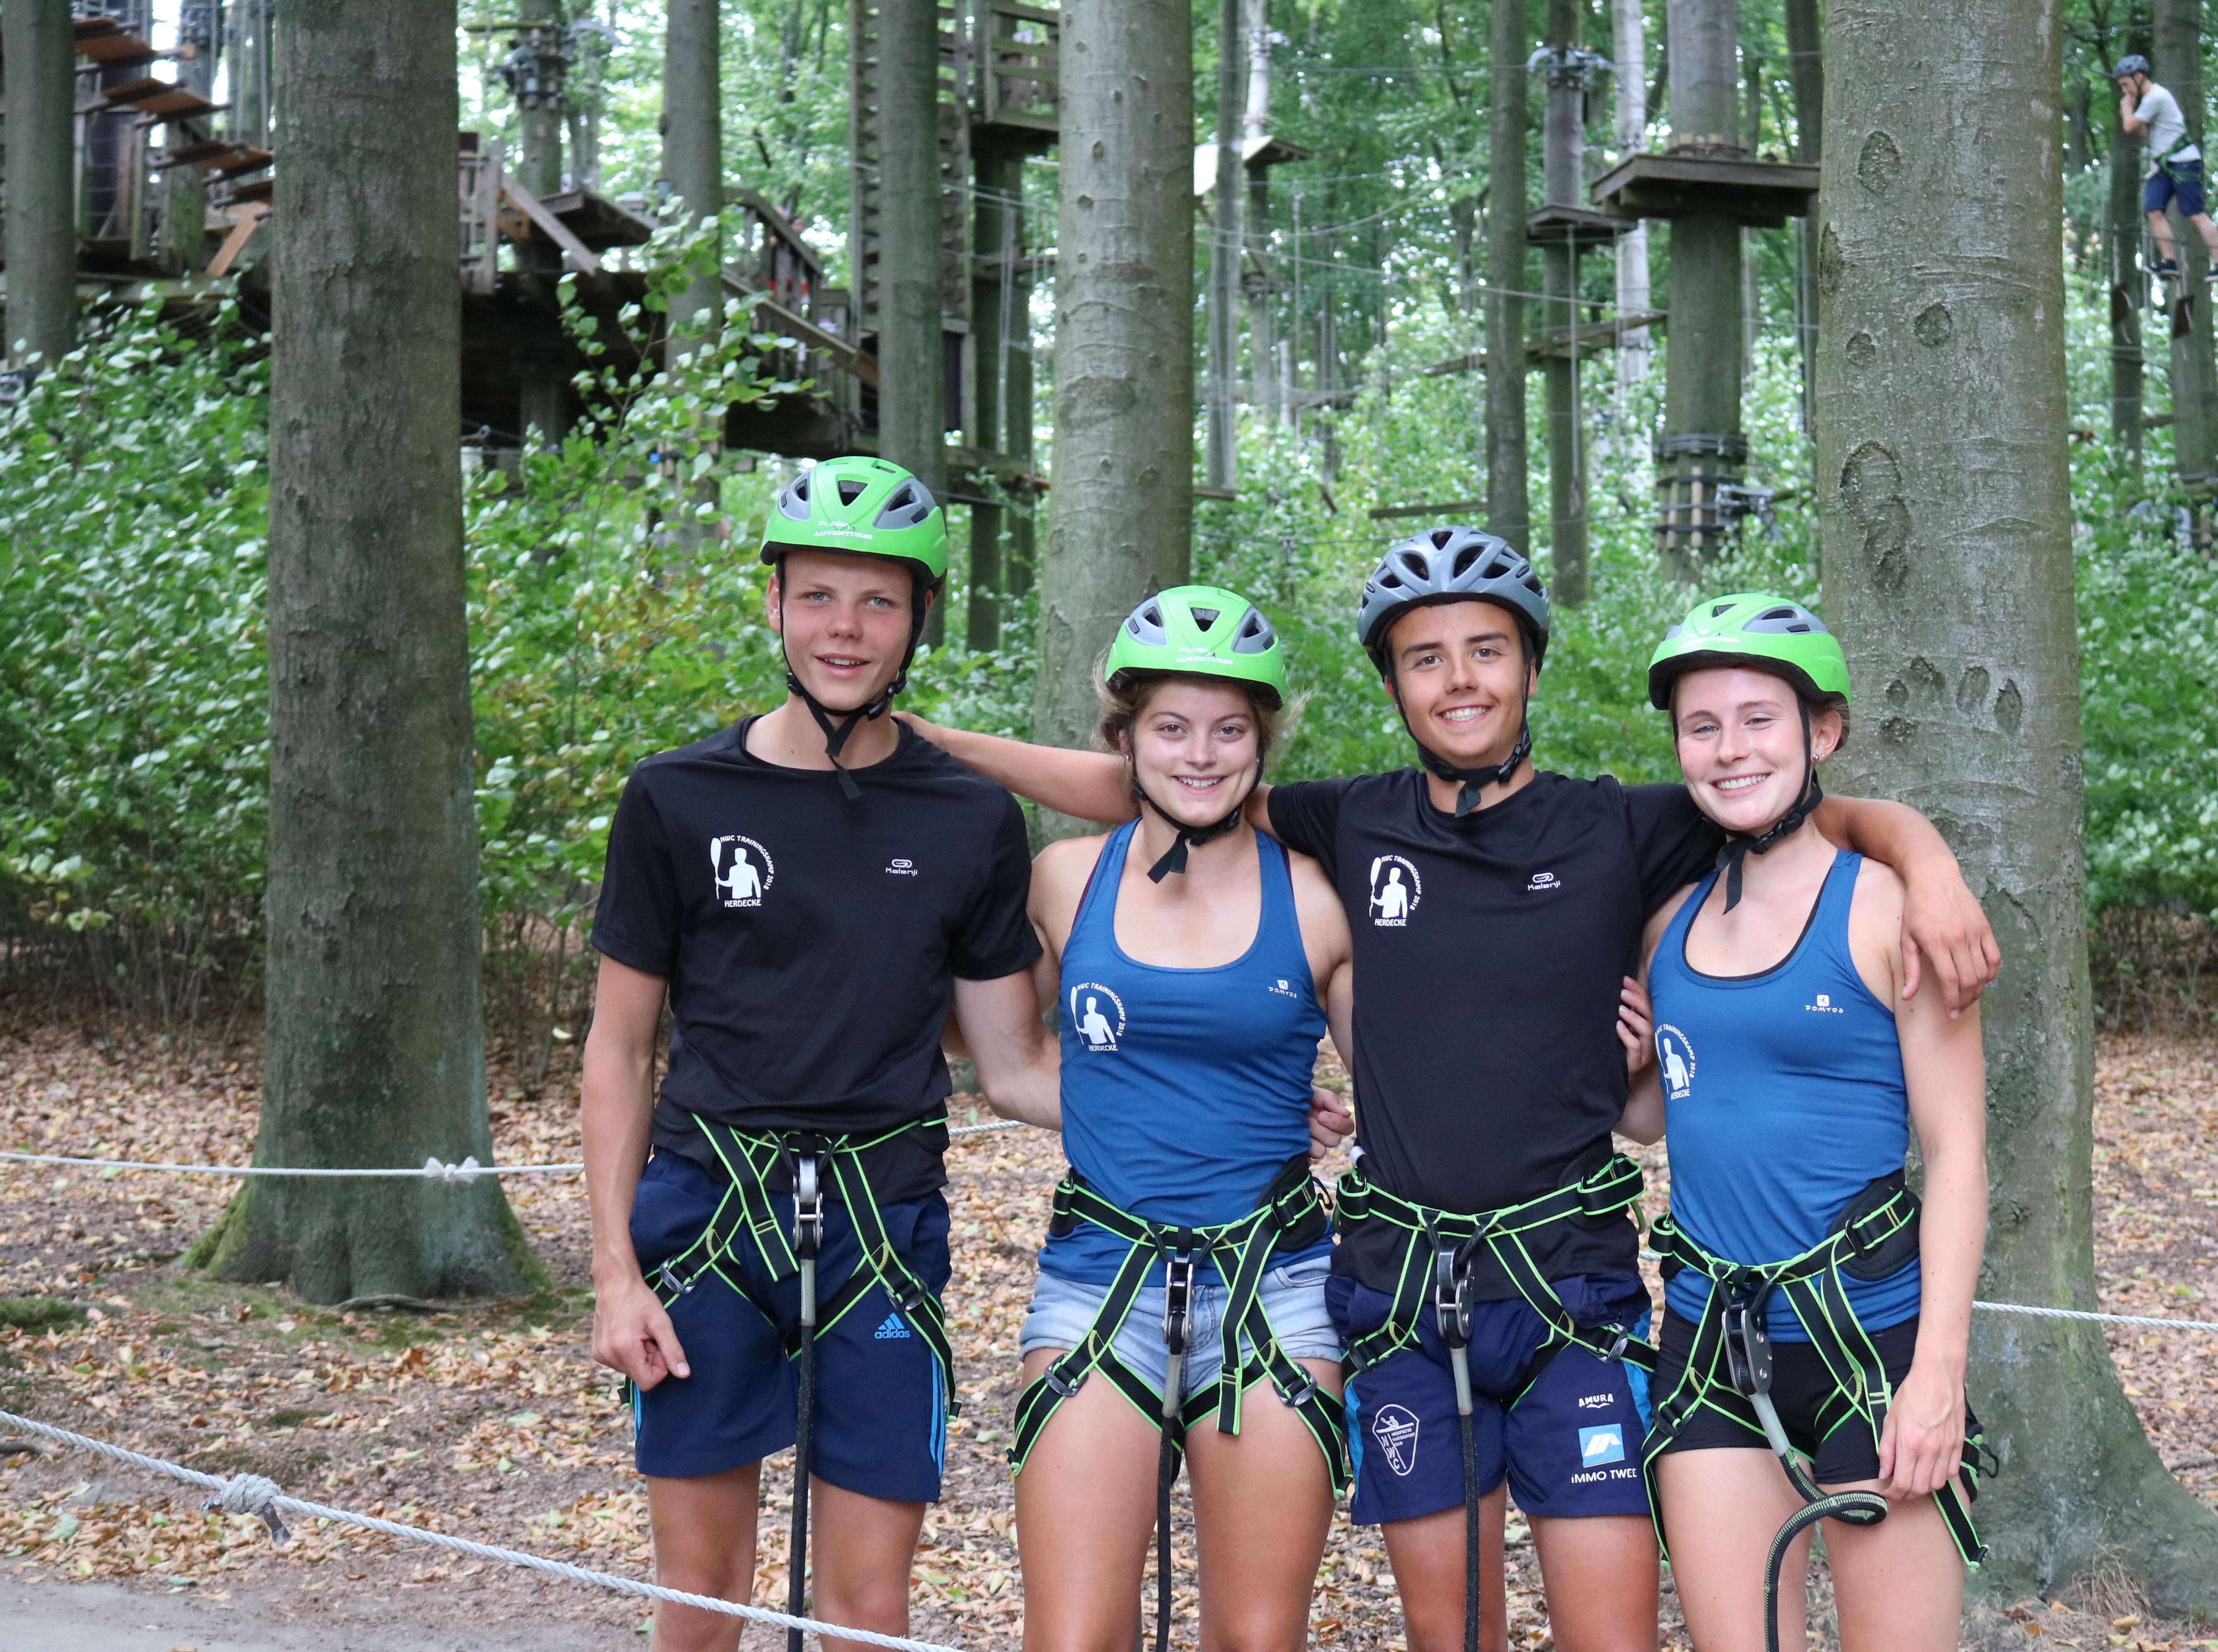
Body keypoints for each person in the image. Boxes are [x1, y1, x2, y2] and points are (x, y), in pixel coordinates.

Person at [904, 528, 2002, 1652]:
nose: (1460, 679)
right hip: (1402, 1285)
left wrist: (1925, 861)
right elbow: (1162, 782)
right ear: (1393, 684)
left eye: (1487, 650)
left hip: (1572, 1277)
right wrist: (932, 740)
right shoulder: (1353, 820)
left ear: (1531, 667)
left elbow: (1807, 809)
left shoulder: (1620, 825)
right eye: (1426, 658)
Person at [580, 457, 1061, 1652]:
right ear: (775, 603)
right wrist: (614, 1274)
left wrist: (1225, 1097)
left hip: (882, 1218)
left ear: (920, 617)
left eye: (879, 601)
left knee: (868, 1612)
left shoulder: (970, 817)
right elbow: (620, 1046)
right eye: (819, 597)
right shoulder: (677, 797)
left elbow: (1011, 1063)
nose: (846, 628)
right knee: (701, 1600)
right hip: (707, 1213)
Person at [1619, 594, 1993, 1652]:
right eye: (1703, 726)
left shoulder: (1892, 909)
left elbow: (1958, 1152)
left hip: (1869, 1342)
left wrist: (1938, 1374)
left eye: (1759, 719)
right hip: (1708, 1343)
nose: (1731, 748)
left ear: (1821, 732)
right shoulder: (1668, 920)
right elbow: (1656, 1117)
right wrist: (1618, 1065)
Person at [1007, 585, 1357, 1652]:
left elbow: (1407, 1088)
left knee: (1257, 1638)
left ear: (1262, 742)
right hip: (1098, 1274)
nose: (1200, 754)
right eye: (1171, 727)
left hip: (1276, 1283)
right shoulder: (1064, 880)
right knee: (1073, 1638)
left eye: (1229, 730)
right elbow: (1007, 1067)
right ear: (1124, 739)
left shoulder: (1317, 895)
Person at [2115, 53, 2218, 283]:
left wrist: (2127, 108)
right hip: (2163, 165)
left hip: (2184, 162)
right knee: (2153, 210)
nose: (2125, 91)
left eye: (2126, 85)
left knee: (2195, 214)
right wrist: (2134, 115)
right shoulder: (2149, 101)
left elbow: (2128, 126)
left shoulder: (2156, 97)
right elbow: (2147, 135)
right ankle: (2170, 263)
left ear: (2139, 77)